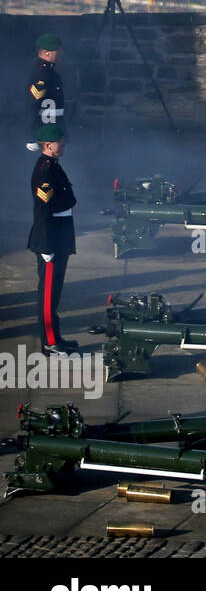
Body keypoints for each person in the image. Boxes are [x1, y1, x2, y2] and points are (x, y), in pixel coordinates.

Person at [29, 126, 78, 354]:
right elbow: (43, 210)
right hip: (51, 240)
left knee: (55, 293)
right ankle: (49, 343)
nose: (64, 144)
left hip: (60, 238)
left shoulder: (53, 167)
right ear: (48, 146)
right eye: (60, 141)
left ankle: (56, 337)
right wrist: (47, 245)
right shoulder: (45, 172)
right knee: (48, 295)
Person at [27, 33, 65, 151]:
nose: (61, 52)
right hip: (45, 134)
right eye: (57, 50)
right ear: (46, 52)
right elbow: (32, 106)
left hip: (54, 130)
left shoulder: (51, 73)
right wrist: (31, 136)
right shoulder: (42, 75)